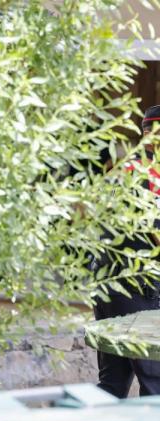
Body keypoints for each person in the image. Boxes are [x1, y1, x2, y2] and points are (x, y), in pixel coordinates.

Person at [92, 105, 160, 398]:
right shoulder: (140, 177)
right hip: (133, 288)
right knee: (155, 380)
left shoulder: (132, 171)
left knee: (113, 382)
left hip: (113, 287)